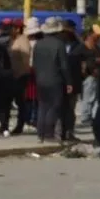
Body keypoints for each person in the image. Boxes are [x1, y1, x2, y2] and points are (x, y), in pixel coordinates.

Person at [32, 17, 75, 146]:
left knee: (42, 106)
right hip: (55, 79)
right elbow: (64, 65)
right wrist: (69, 82)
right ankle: (48, 133)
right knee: (54, 106)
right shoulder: (59, 44)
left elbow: (34, 63)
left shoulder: (38, 44)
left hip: (40, 79)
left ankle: (40, 134)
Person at [9, 20, 32, 134]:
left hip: (20, 75)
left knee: (21, 102)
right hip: (14, 75)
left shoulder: (23, 41)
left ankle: (21, 124)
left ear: (18, 29)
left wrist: (22, 73)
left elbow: (25, 59)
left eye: (12, 28)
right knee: (17, 101)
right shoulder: (14, 40)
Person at [79, 24, 100, 125]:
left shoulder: (95, 46)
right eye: (96, 35)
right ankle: (85, 117)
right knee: (88, 97)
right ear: (90, 34)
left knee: (92, 98)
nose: (98, 37)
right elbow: (88, 60)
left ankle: (89, 116)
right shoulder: (86, 46)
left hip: (93, 75)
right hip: (89, 76)